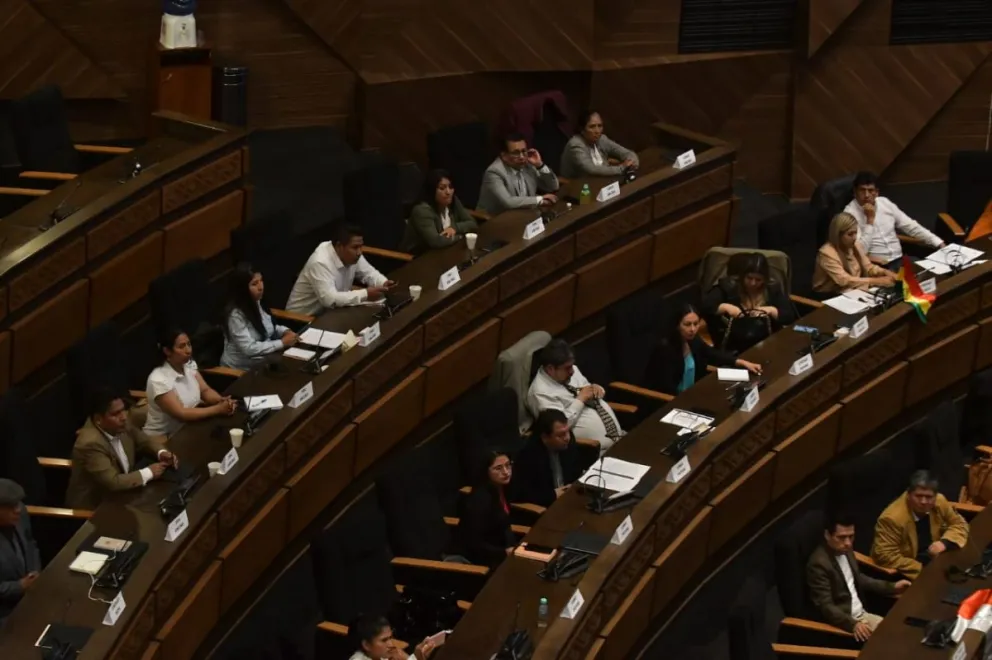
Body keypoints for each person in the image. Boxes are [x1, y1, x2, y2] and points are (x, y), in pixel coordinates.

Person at [807, 511, 910, 642]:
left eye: (851, 537)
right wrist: (853, 624)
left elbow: (859, 579)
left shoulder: (846, 549)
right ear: (828, 535)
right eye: (842, 537)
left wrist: (892, 587)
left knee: (904, 633)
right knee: (893, 643)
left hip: (862, 615)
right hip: (846, 623)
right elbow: (825, 605)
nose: (848, 543)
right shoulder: (819, 564)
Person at [67, 387, 178, 509]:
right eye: (115, 414)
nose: (123, 417)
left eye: (123, 410)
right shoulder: (90, 444)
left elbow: (144, 441)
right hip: (96, 509)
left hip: (125, 495)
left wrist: (161, 452)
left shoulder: (122, 421)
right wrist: (150, 472)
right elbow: (113, 482)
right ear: (98, 419)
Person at [645, 303, 763, 396]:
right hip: (671, 402)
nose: (693, 329)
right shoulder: (665, 350)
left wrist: (742, 362)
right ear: (676, 325)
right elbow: (666, 387)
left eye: (696, 324)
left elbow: (711, 354)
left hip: (694, 394)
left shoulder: (693, 340)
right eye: (687, 324)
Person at [527, 339, 623, 452]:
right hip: (594, 452)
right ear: (550, 369)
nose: (572, 371)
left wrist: (596, 389)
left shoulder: (570, 372)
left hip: (620, 440)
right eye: (568, 368)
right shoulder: (540, 393)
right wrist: (580, 400)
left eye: (572, 366)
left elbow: (587, 389)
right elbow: (559, 429)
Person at [871, 470, 969, 579]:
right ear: (908, 494)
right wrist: (923, 570)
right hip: (909, 570)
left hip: (935, 558)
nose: (923, 501)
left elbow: (959, 523)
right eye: (918, 496)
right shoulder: (892, 518)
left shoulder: (939, 502)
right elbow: (884, 555)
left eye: (928, 497)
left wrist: (944, 543)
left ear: (935, 496)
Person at [143, 329, 237, 437]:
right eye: (182, 346)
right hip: (165, 437)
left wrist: (220, 400)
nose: (188, 350)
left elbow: (205, 391)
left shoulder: (188, 364)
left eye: (189, 344)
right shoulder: (158, 380)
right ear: (167, 351)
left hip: (191, 426)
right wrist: (217, 409)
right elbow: (182, 413)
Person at [285, 224, 395, 315]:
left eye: (361, 246)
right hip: (301, 322)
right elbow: (330, 300)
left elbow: (368, 273)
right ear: (339, 246)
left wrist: (384, 282)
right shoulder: (320, 262)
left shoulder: (353, 255)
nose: (359, 252)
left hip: (332, 313)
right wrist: (365, 294)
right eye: (355, 247)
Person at [844, 171, 943, 268]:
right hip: (877, 266)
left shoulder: (885, 203)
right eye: (862, 190)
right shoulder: (849, 215)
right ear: (855, 192)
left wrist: (939, 243)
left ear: (877, 193)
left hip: (900, 259)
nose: (866, 195)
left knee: (931, 272)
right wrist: (870, 221)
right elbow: (860, 251)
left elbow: (911, 226)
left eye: (870, 190)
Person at [701, 252, 794, 350]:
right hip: (733, 345)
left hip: (766, 343)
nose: (753, 283)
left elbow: (789, 316)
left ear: (765, 279)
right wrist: (724, 307)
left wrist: (771, 310)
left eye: (758, 280)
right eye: (749, 278)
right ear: (742, 276)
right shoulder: (728, 286)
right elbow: (704, 306)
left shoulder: (772, 289)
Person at [510, 409, 595, 508]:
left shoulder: (568, 440)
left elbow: (575, 470)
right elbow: (520, 494)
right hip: (547, 507)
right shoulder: (527, 455)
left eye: (567, 431)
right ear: (545, 437)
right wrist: (553, 495)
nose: (567, 437)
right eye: (561, 435)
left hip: (570, 498)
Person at [220, 263, 298, 370]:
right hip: (240, 371)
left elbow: (268, 327)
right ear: (242, 289)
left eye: (261, 281)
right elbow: (249, 349)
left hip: (262, 361)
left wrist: (285, 331)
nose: (261, 287)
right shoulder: (235, 315)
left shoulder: (256, 301)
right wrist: (282, 343)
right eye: (254, 284)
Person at [458, 450, 517, 568]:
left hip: (503, 550)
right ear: (486, 471)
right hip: (483, 560)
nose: (506, 472)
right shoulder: (480, 500)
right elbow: (473, 543)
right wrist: (503, 553)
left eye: (508, 465)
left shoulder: (502, 488)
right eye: (498, 468)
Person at [476, 133, 559, 216]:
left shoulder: (528, 164)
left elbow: (553, 187)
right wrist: (540, 199)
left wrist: (540, 165)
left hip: (524, 214)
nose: (522, 157)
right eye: (516, 153)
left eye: (524, 151)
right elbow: (508, 202)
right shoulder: (494, 172)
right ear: (504, 155)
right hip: (496, 218)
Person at [813, 213, 898, 294]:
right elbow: (844, 280)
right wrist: (878, 281)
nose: (854, 238)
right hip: (829, 297)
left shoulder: (855, 245)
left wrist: (885, 272)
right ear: (838, 235)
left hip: (852, 290)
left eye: (855, 233)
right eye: (850, 234)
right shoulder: (826, 253)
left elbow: (868, 267)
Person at [400, 169, 479, 253]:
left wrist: (455, 228)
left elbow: (472, 223)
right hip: (419, 258)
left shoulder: (452, 201)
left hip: (447, 252)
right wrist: (460, 236)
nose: (448, 192)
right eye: (442, 188)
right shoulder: (421, 211)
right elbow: (436, 242)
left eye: (450, 187)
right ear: (432, 190)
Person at [0, 479, 41, 623]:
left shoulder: (20, 512)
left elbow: (31, 544)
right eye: (10, 506)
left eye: (18, 503)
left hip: (29, 600)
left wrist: (34, 573)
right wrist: (19, 586)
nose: (17, 509)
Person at [559, 110, 639, 179]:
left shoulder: (602, 139)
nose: (597, 131)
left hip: (601, 182)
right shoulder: (575, 145)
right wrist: (622, 168)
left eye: (600, 126)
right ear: (582, 129)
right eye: (592, 127)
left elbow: (627, 153)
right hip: (578, 188)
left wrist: (632, 164)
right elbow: (591, 169)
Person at [347, 613, 435, 660]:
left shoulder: (381, 657)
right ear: (366, 645)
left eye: (390, 638)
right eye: (384, 640)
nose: (390, 644)